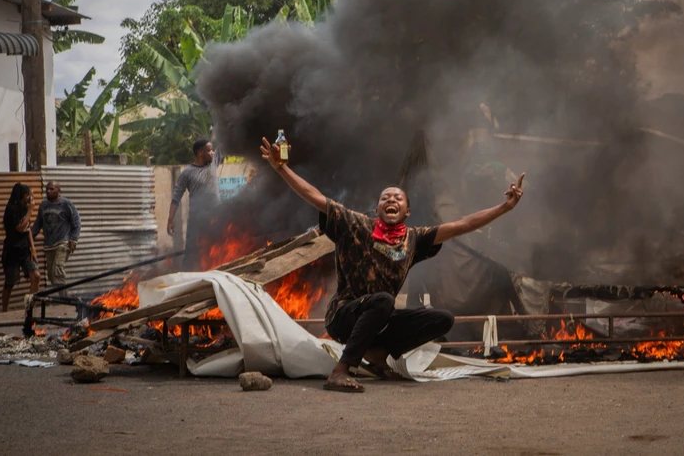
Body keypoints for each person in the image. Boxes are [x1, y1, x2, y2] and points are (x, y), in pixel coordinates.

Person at [259, 135, 524, 393]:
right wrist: (281, 168)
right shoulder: (356, 225)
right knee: (384, 300)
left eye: (398, 198)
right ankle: (341, 370)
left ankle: (378, 353)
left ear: (407, 212)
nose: (391, 201)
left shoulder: (414, 239)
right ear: (377, 210)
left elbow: (463, 225)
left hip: (380, 319)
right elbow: (314, 196)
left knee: (442, 319)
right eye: (386, 198)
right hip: (343, 317)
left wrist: (505, 207)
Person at [167, 139, 219, 271]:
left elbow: (227, 142)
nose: (212, 153)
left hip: (217, 217)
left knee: (218, 250)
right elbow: (176, 196)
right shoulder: (187, 172)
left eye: (212, 150)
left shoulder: (214, 163)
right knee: (192, 254)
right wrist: (170, 219)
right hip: (197, 221)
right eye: (209, 150)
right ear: (200, 152)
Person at [31, 181, 81, 293]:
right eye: (47, 189)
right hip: (49, 245)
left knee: (58, 270)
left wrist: (74, 239)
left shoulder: (66, 204)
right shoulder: (43, 205)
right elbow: (38, 223)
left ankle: (65, 298)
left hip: (63, 243)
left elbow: (76, 221)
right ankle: (64, 296)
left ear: (59, 190)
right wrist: (30, 238)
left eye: (52, 189)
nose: (48, 191)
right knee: (51, 275)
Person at [1, 183, 41, 312]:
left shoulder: (24, 208)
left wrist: (33, 249)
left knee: (36, 275)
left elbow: (27, 229)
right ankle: (4, 311)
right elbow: (20, 227)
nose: (31, 199)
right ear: (24, 196)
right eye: (30, 196)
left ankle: (29, 308)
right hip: (12, 252)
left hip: (25, 250)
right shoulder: (11, 210)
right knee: (10, 283)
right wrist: (30, 211)